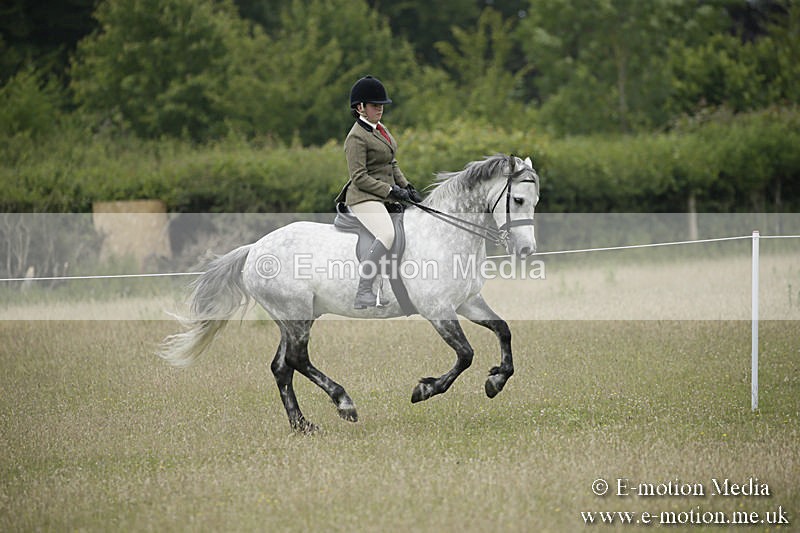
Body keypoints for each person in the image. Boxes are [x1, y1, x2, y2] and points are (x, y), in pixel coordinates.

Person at [335, 75, 422, 309]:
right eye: (375, 105)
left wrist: (407, 187)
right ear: (360, 107)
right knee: (386, 234)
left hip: (384, 194)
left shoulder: (380, 129)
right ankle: (363, 290)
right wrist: (390, 190)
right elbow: (359, 177)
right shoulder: (355, 137)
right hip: (363, 197)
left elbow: (391, 163)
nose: (380, 109)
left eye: (381, 105)